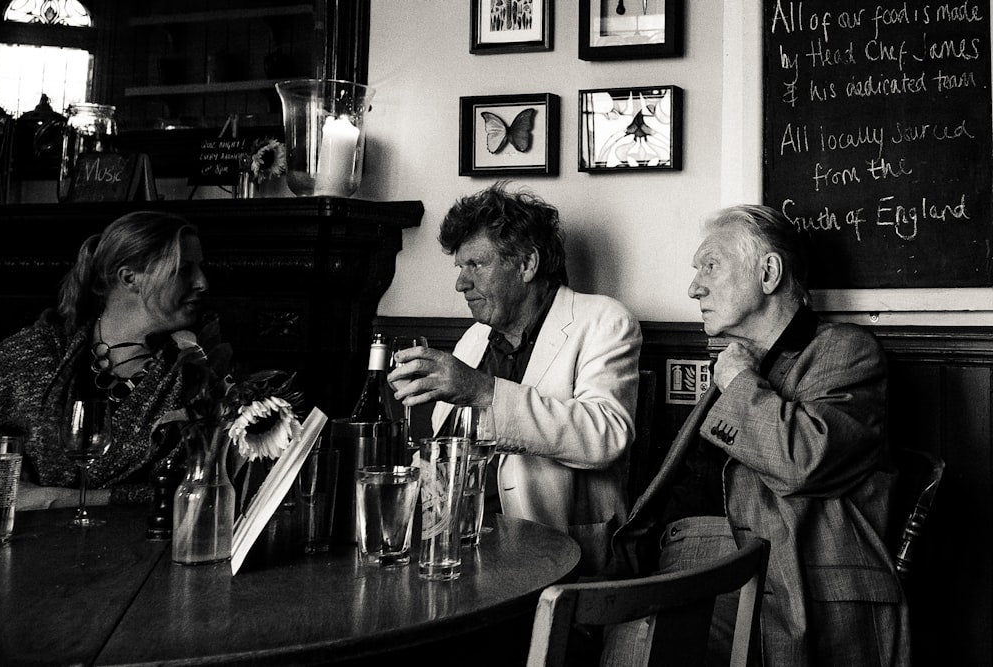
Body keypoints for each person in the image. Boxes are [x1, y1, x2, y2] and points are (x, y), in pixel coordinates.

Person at [605, 204, 909, 665]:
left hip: (760, 574)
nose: (693, 287)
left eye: (711, 265)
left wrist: (740, 383)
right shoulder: (738, 360)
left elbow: (803, 460)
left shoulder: (844, 351)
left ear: (768, 273)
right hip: (679, 565)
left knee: (639, 642)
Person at [389, 181, 642, 575]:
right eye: (460, 267)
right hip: (463, 549)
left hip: (562, 556)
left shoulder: (604, 320)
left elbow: (604, 436)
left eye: (477, 264)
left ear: (526, 264)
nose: (461, 283)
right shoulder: (474, 339)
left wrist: (482, 391)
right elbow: (445, 458)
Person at [0, 210, 212, 510]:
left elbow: (194, 490)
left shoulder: (194, 370)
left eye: (200, 268)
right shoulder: (43, 352)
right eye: (184, 270)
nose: (202, 282)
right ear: (130, 277)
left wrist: (50, 498)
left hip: (140, 551)